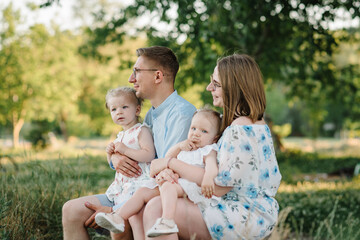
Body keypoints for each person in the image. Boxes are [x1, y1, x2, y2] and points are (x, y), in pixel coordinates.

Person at [136, 53, 282, 240]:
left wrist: (170, 163)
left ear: (234, 87)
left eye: (216, 84)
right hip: (252, 211)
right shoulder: (252, 123)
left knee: (157, 208)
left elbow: (218, 187)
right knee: (159, 201)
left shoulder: (240, 128)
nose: (209, 87)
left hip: (245, 216)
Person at [62, 46, 196, 240]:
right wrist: (114, 157)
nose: (131, 79)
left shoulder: (182, 115)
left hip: (155, 199)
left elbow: (170, 176)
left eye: (136, 72)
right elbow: (134, 144)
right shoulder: (152, 114)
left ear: (158, 76)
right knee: (70, 210)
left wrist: (115, 209)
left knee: (122, 225)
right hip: (128, 191)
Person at [94, 108, 221, 238]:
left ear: (214, 138)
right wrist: (178, 147)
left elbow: (212, 167)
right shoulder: (186, 147)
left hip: (191, 186)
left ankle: (167, 220)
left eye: (204, 131)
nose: (196, 134)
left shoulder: (208, 150)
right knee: (142, 192)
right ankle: (118, 217)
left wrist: (208, 178)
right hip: (176, 182)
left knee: (167, 187)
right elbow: (167, 158)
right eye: (193, 128)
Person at [103, 86, 156, 208]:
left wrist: (126, 150)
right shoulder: (120, 135)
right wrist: (109, 154)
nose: (119, 112)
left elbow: (149, 154)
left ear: (137, 110)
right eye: (114, 109)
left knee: (131, 214)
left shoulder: (141, 130)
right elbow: (114, 165)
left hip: (138, 182)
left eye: (124, 107)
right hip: (123, 185)